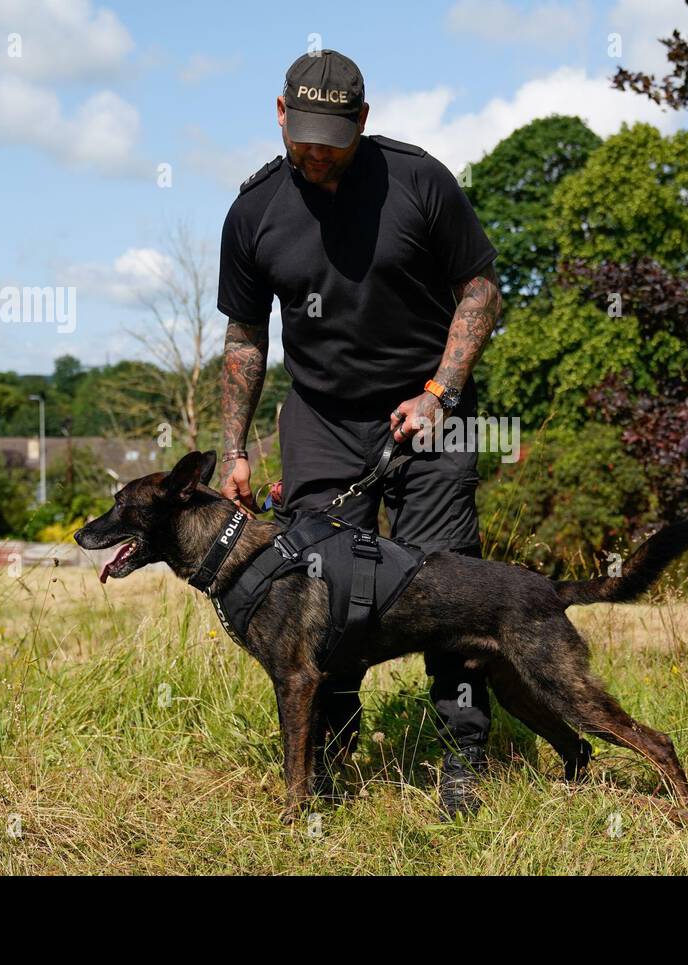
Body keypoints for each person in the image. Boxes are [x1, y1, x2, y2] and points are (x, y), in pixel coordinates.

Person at [216, 49, 503, 817]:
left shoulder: (418, 182)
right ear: (279, 113)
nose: (313, 151)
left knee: (451, 586)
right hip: (320, 422)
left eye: (330, 138)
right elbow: (246, 336)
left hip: (427, 409)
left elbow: (479, 287)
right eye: (301, 133)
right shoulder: (254, 212)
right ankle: (332, 760)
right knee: (320, 591)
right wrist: (233, 448)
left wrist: (442, 389)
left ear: (362, 123)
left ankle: (464, 757)